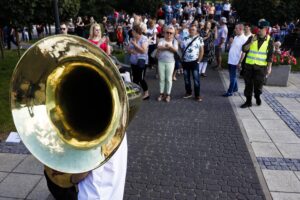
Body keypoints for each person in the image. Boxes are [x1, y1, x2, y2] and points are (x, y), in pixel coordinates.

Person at [240, 20, 274, 108]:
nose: (258, 30)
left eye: (261, 28)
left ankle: (257, 95)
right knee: (248, 85)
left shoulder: (270, 40)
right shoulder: (252, 37)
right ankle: (248, 101)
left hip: (261, 67)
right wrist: (251, 42)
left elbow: (270, 55)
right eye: (258, 28)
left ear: (266, 29)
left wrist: (269, 68)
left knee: (258, 86)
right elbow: (244, 49)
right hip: (249, 66)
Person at [222, 24, 248, 97]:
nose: (234, 30)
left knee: (232, 77)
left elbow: (244, 52)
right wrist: (230, 42)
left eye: (236, 29)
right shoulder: (236, 37)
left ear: (240, 29)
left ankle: (230, 91)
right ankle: (235, 88)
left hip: (235, 61)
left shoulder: (244, 39)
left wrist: (240, 62)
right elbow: (232, 47)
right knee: (232, 75)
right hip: (231, 59)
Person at [180, 24, 204, 102]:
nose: (191, 31)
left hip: (194, 62)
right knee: (186, 79)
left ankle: (197, 95)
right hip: (185, 62)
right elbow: (181, 48)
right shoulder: (185, 38)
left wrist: (199, 61)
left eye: (193, 29)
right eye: (190, 29)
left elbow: (201, 50)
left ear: (196, 30)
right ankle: (188, 92)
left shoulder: (199, 38)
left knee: (196, 79)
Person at [127, 24, 149, 100]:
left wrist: (135, 45)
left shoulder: (144, 38)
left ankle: (146, 93)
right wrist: (131, 50)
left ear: (136, 32)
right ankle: (137, 94)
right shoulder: (132, 39)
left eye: (133, 31)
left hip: (142, 62)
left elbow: (143, 50)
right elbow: (128, 50)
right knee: (135, 79)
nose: (132, 33)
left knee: (141, 78)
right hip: (133, 62)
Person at [156, 25, 178, 102]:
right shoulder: (161, 40)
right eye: (167, 32)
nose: (169, 34)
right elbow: (159, 47)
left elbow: (175, 50)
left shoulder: (175, 41)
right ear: (164, 33)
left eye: (171, 33)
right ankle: (161, 93)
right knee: (161, 78)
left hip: (170, 62)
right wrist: (168, 47)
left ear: (173, 34)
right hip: (161, 61)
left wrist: (168, 47)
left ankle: (168, 94)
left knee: (169, 79)